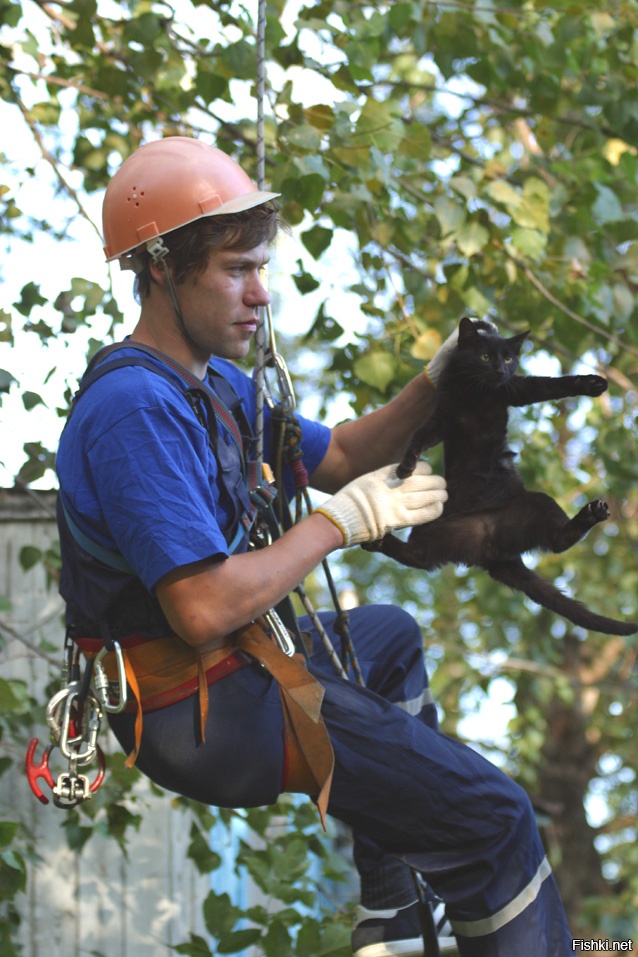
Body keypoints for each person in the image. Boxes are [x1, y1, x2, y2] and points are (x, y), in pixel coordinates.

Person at [55, 136, 573, 957]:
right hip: (200, 713)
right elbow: (201, 606)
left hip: (237, 662)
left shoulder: (217, 384)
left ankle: (395, 915)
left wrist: (434, 382)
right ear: (160, 267)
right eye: (236, 270)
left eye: (261, 267)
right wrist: (337, 523)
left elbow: (339, 458)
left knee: (390, 636)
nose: (261, 293)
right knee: (496, 818)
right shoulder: (134, 410)